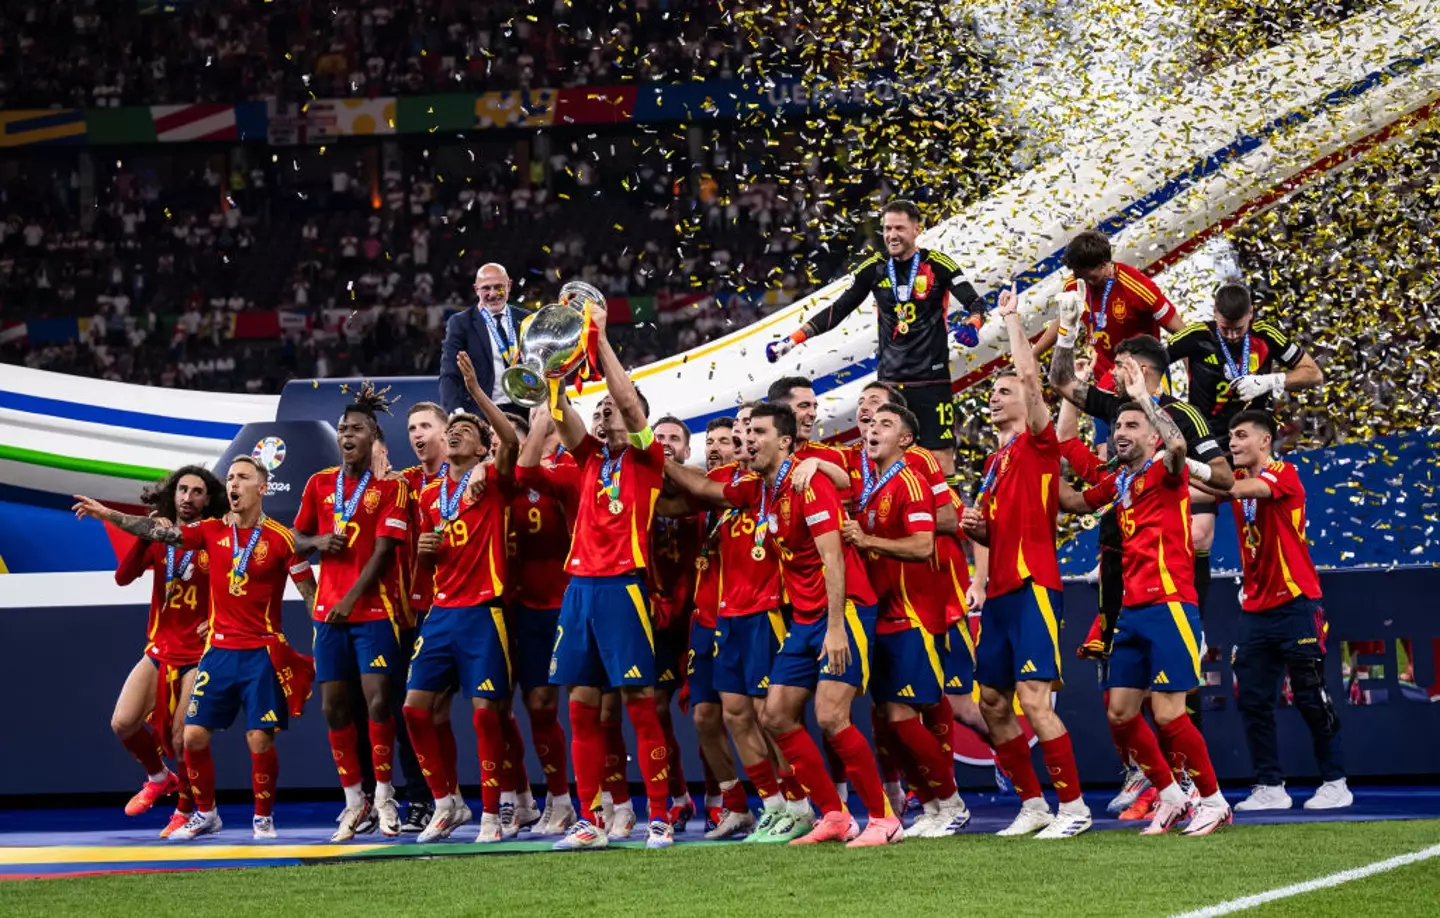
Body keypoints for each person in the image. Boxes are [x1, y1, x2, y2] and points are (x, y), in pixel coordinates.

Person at [668, 404, 898, 848]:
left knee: (831, 716)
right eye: (746, 431)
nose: (746, 439)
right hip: (807, 615)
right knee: (775, 716)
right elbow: (701, 487)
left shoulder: (809, 483)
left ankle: (884, 819)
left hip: (842, 610)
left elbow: (834, 559)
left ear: (785, 442)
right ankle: (834, 814)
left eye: (758, 432)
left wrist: (835, 629)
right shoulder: (764, 489)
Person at [73, 456, 319, 841]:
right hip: (197, 651)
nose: (234, 484)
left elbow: (307, 593)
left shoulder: (273, 538)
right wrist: (109, 513)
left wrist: (323, 636)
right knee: (167, 732)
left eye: (242, 478)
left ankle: (248, 818)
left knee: (242, 738)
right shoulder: (206, 533)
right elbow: (141, 553)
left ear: (260, 488)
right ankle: (190, 801)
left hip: (244, 651)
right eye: (231, 477)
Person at [1058, 360, 1231, 836]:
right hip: (1131, 609)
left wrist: (1145, 400)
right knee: (1120, 713)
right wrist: (1042, 456)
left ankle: (1214, 801)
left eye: (1131, 424)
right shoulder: (1119, 482)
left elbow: (1178, 445)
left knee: (1169, 711)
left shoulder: (1166, 467)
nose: (1121, 431)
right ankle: (1171, 797)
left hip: (1170, 601)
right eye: (1117, 425)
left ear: (1151, 434)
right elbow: (1072, 501)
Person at [539, 304, 678, 851]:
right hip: (580, 590)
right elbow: (560, 417)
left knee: (640, 700)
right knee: (580, 705)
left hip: (624, 585)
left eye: (614, 413)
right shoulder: (588, 458)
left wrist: (598, 342)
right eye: (600, 413)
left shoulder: (649, 459)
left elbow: (626, 398)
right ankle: (590, 820)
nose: (605, 418)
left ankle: (661, 816)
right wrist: (554, 376)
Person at [961, 285, 1092, 839]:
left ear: (1028, 399)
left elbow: (1036, 380)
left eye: (1005, 390)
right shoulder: (995, 461)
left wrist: (1016, 323)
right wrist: (977, 536)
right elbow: (998, 528)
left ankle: (1076, 808)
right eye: (992, 392)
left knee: (1035, 701)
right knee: (992, 701)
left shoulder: (1039, 444)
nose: (995, 397)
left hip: (1037, 585)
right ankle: (1033, 805)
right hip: (1003, 595)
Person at [764, 199, 983, 478]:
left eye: (899, 228)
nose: (891, 235)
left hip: (931, 381)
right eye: (887, 228)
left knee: (938, 459)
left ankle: (946, 519)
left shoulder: (938, 264)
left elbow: (975, 303)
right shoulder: (874, 267)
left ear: (917, 229)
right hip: (889, 383)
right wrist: (791, 341)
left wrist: (973, 326)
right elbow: (838, 310)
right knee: (883, 456)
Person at [1200, 411, 1349, 812]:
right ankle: (1270, 786)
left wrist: (1193, 463)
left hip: (1297, 602)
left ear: (1264, 441)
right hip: (1255, 607)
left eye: (1241, 435)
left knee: (1311, 696)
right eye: (1230, 436)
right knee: (1251, 699)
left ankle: (1335, 781)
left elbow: (1233, 490)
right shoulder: (1238, 481)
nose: (1233, 443)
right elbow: (1204, 492)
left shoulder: (1284, 474)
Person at [1167, 283, 1324, 650]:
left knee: (1264, 525)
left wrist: (1272, 380)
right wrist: (1164, 404)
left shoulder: (1267, 336)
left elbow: (1312, 372)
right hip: (1206, 442)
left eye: (1239, 328)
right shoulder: (1196, 336)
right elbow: (1154, 360)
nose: (1233, 335)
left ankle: (1272, 596)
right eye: (1225, 328)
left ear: (1251, 314)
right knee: (1199, 535)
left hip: (1252, 445)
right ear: (1215, 316)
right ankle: (1196, 627)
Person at [839, 403, 972, 837]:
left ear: (906, 440)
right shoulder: (872, 484)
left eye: (886, 424)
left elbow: (921, 546)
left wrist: (867, 539)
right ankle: (932, 805)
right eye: (870, 423)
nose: (873, 429)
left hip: (913, 615)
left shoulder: (911, 482)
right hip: (882, 612)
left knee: (901, 715)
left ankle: (951, 803)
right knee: (888, 719)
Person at [402, 377, 521, 843]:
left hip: (483, 612)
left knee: (486, 714)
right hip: (442, 611)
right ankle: (447, 802)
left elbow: (510, 439)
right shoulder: (430, 495)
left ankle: (492, 814)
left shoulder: (491, 481)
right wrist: (426, 550)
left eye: (464, 431)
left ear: (481, 448)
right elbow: (430, 552)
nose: (454, 433)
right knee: (414, 711)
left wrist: (474, 392)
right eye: (450, 429)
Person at [292, 383, 410, 841]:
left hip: (372, 613)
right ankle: (354, 801)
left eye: (356, 428)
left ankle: (384, 795)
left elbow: (383, 553)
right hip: (329, 617)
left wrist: (348, 600)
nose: (346, 434)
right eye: (342, 428)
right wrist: (318, 544)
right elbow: (292, 540)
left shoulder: (389, 487)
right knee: (334, 708)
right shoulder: (319, 484)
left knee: (380, 702)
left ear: (374, 437)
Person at [109, 466, 226, 837]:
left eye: (196, 492)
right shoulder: (159, 537)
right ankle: (160, 776)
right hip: (159, 648)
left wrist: (218, 617)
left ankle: (188, 810)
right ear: (172, 494)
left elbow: (236, 583)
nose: (188, 498)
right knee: (123, 723)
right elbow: (122, 578)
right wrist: (146, 536)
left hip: (199, 651)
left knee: (181, 739)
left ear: (208, 500)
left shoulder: (213, 536)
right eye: (182, 490)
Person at [509, 404, 582, 835]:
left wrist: (540, 426)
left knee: (590, 704)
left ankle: (607, 802)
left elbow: (529, 473)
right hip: (525, 607)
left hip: (569, 601)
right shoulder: (497, 479)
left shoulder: (569, 467)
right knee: (537, 706)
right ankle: (557, 799)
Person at [1033, 230, 1186, 430]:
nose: (1081, 281)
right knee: (1107, 445)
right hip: (1104, 380)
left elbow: (1183, 333)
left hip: (1140, 376)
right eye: (1076, 274)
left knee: (1149, 433)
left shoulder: (1137, 286)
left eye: (1087, 276)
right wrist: (1033, 354)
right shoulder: (1076, 283)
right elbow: (1064, 318)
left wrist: (1197, 384)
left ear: (1104, 264)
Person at [396, 401, 454, 832]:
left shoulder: (473, 475)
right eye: (412, 428)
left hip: (473, 604)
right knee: (419, 711)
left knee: (495, 707)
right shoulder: (405, 483)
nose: (418, 435)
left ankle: (514, 799)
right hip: (421, 609)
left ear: (446, 430)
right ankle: (431, 798)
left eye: (426, 426)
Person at [649, 415, 703, 831]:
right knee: (656, 708)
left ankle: (723, 799)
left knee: (713, 711)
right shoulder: (636, 486)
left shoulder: (702, 483)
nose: (665, 442)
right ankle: (681, 796)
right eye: (658, 437)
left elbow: (684, 498)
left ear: (687, 449)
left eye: (673, 439)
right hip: (656, 615)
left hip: (702, 613)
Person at [439, 263, 534, 414]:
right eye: (486, 288)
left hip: (526, 411)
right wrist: (456, 412)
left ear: (509, 285)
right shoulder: (461, 323)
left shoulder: (527, 319)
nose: (493, 294)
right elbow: (449, 373)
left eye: (499, 287)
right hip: (483, 413)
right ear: (476, 289)